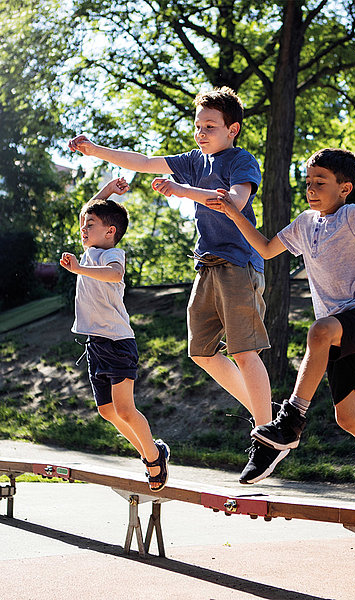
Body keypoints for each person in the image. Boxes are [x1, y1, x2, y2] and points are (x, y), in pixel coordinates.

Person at [205, 148, 355, 515]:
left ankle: (289, 422)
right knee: (348, 418)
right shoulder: (304, 223)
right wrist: (234, 213)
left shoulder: (353, 215)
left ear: (344, 188)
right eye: (308, 182)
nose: (311, 189)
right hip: (335, 333)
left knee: (319, 330)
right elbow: (265, 249)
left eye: (320, 183)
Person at [68, 87, 283, 485]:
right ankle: (268, 416)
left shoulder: (241, 161)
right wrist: (96, 150)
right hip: (206, 266)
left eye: (210, 127)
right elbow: (143, 161)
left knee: (242, 350)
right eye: (198, 126)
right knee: (202, 352)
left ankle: (268, 435)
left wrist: (184, 191)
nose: (201, 133)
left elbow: (234, 201)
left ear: (232, 129)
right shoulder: (192, 160)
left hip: (239, 263)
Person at [59, 177, 170, 492]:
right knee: (107, 411)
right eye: (84, 225)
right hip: (96, 343)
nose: (83, 228)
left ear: (110, 232)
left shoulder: (112, 255)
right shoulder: (90, 248)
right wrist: (108, 190)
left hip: (118, 342)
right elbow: (87, 210)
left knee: (124, 409)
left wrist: (78, 269)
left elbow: (114, 275)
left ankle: (154, 459)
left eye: (90, 225)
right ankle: (152, 451)